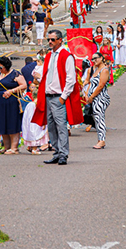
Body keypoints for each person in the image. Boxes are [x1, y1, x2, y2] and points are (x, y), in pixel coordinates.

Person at [33, 29, 82, 165]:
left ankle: (63, 154)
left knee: (61, 127)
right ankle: (56, 152)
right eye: (48, 39)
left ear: (60, 40)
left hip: (58, 97)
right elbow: (47, 74)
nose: (50, 42)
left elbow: (71, 79)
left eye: (52, 39)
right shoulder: (49, 55)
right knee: (51, 127)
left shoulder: (67, 56)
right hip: (48, 96)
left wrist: (63, 97)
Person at [0, 55, 26, 154]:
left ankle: (14, 148)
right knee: (2, 124)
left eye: (1, 67)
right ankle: (6, 147)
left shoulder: (15, 74)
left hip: (11, 103)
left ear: (6, 66)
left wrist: (12, 91)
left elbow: (24, 85)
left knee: (12, 124)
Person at [84, 51, 111, 149]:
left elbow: (100, 86)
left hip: (100, 98)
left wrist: (92, 96)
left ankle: (102, 140)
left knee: (99, 118)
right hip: (93, 98)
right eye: (93, 59)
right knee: (96, 118)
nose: (94, 60)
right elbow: (91, 83)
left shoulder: (104, 70)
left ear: (101, 58)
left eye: (96, 58)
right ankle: (100, 139)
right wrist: (87, 94)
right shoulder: (94, 69)